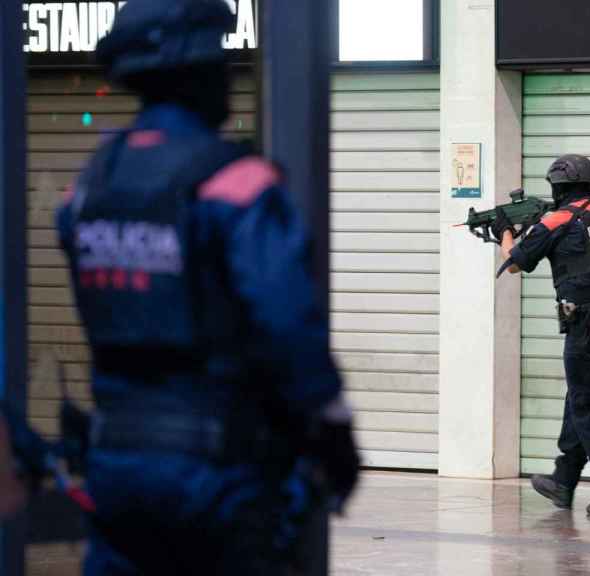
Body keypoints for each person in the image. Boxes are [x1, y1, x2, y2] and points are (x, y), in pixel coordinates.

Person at [19, 1, 361, 573]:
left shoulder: (91, 186)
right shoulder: (235, 182)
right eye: (221, 62)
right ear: (198, 72)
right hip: (220, 471)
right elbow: (287, 320)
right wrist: (334, 428)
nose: (228, 75)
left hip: (115, 462)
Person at [494, 154, 590, 515]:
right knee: (581, 398)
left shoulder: (558, 218)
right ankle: (564, 481)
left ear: (558, 187)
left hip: (587, 323)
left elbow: (513, 263)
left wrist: (504, 232)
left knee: (585, 405)